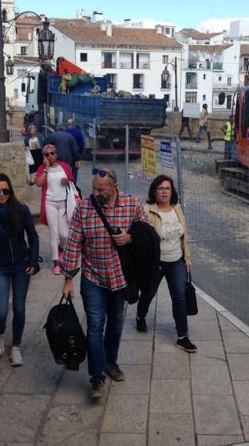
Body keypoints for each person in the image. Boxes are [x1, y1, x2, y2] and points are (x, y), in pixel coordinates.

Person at [60, 166, 147, 401]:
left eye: (101, 189)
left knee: (116, 323)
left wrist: (130, 237)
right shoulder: (84, 208)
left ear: (115, 186)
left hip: (120, 279)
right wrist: (68, 278)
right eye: (94, 188)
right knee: (96, 325)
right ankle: (96, 376)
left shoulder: (133, 205)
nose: (96, 193)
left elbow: (147, 233)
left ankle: (110, 361)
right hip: (93, 277)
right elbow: (74, 243)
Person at [0, 173, 40, 366]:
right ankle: (0, 334)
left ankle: (16, 347)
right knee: (1, 309)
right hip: (0, 267)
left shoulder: (21, 210)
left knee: (19, 307)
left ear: (10, 191)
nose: (2, 195)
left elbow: (33, 237)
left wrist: (33, 261)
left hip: (21, 265)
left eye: (6, 191)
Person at [136, 175, 197, 353]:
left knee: (179, 297)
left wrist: (187, 258)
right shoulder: (147, 211)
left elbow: (184, 236)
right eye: (160, 188)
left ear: (172, 191)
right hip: (156, 263)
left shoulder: (177, 209)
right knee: (148, 293)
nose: (164, 191)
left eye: (167, 188)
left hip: (176, 260)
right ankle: (140, 316)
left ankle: (182, 336)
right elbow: (142, 238)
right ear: (154, 191)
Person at [35, 145, 75, 275]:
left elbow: (71, 182)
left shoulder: (64, 166)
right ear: (44, 157)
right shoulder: (42, 168)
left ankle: (61, 249)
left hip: (63, 203)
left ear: (56, 154)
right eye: (47, 154)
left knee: (64, 234)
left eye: (52, 153)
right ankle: (56, 262)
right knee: (54, 233)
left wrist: (67, 181)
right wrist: (46, 168)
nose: (50, 156)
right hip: (50, 203)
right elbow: (38, 183)